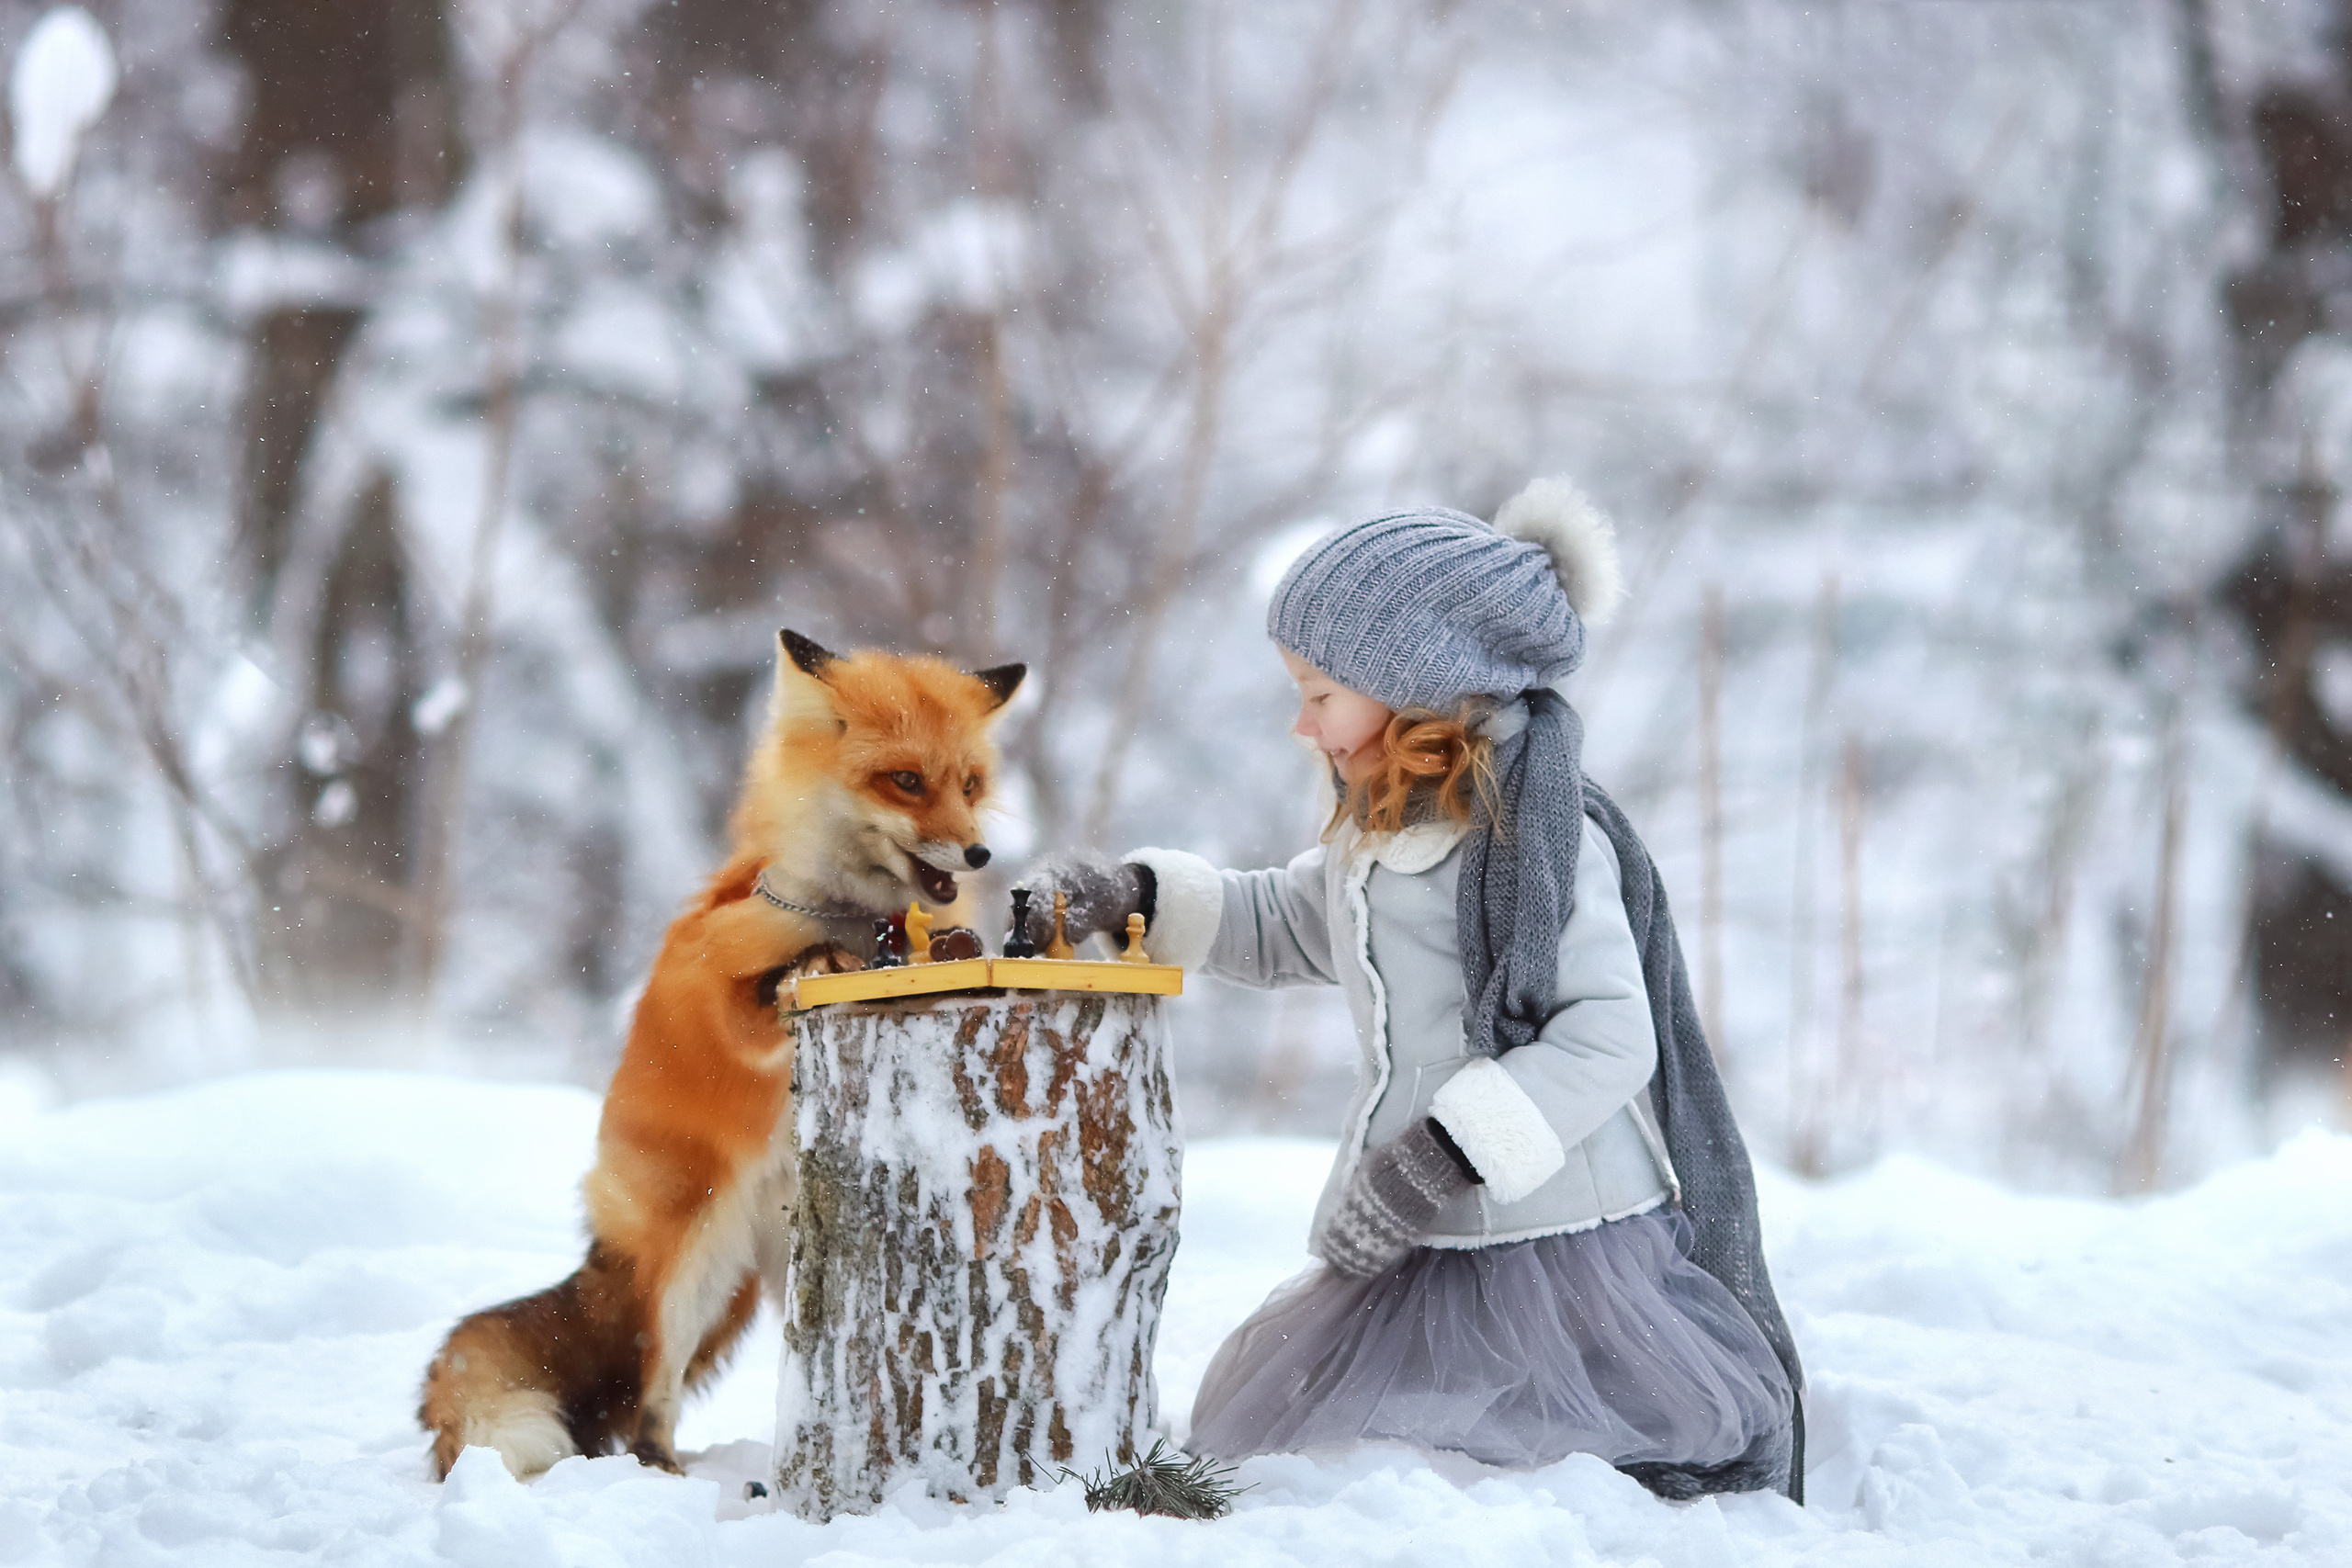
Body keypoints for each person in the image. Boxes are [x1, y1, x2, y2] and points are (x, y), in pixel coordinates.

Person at [1029, 480, 1805, 1499]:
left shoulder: (1538, 844)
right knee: (1353, 1455)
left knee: (1545, 1456)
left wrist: (1442, 1154)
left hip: (1557, 1240)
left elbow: (1611, 1034)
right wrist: (1136, 896)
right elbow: (1295, 922)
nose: (1302, 726)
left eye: (1319, 694)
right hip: (1413, 1224)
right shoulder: (1383, 832)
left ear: (1416, 691)